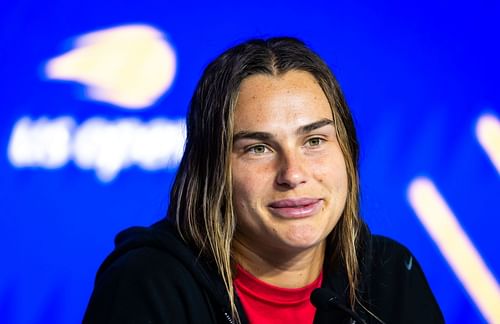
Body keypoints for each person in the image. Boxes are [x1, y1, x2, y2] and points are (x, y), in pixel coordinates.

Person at [83, 37, 444, 324]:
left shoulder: (390, 275)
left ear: (347, 152)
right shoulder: (149, 284)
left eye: (314, 141)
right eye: (258, 148)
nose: (293, 174)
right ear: (211, 170)